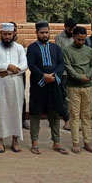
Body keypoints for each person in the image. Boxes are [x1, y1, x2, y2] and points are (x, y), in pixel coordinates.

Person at [27, 21, 68, 155]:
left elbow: (61, 64)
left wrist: (54, 76)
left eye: (46, 32)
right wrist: (43, 76)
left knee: (55, 113)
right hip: (39, 85)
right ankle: (34, 142)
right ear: (36, 33)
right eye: (42, 33)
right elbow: (31, 65)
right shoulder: (32, 48)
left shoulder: (55, 48)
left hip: (54, 85)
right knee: (35, 114)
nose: (44, 35)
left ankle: (56, 142)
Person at [0, 23, 27, 153]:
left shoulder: (19, 48)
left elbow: (24, 65)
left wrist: (8, 71)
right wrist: (9, 66)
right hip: (0, 84)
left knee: (16, 110)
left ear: (14, 34)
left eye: (9, 34)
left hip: (16, 84)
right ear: (1, 34)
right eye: (5, 34)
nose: (7, 37)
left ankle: (15, 140)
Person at [62, 26, 92, 154]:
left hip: (87, 86)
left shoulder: (89, 51)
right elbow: (68, 66)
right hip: (73, 86)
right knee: (74, 115)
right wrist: (78, 76)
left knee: (86, 115)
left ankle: (87, 142)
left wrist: (87, 76)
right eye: (78, 39)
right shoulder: (66, 50)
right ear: (74, 37)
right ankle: (75, 142)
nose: (81, 42)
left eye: (83, 40)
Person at [55, 18, 76, 130]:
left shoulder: (76, 37)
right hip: (64, 72)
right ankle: (67, 120)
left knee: (74, 97)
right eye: (70, 29)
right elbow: (59, 55)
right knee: (64, 97)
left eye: (73, 29)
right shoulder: (59, 38)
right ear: (65, 27)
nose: (71, 31)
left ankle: (75, 120)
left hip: (75, 71)